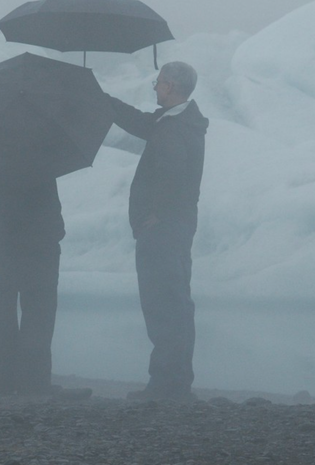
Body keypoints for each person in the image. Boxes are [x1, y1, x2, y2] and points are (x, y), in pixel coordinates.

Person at [108, 61, 209, 400]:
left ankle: (167, 384)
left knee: (163, 303)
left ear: (170, 86)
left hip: (165, 230)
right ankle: (175, 381)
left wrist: (157, 215)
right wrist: (101, 100)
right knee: (176, 302)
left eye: (159, 83)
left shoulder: (173, 128)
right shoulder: (178, 122)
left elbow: (173, 172)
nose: (155, 87)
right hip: (176, 227)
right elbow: (140, 121)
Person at [0, 175, 64, 395]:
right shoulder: (41, 147)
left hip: (0, 236)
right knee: (39, 307)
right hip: (38, 238)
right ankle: (33, 380)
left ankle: (0, 380)